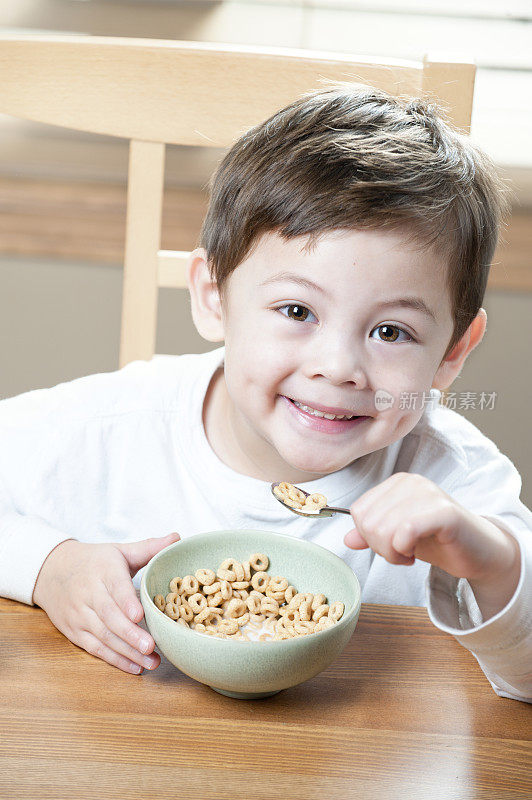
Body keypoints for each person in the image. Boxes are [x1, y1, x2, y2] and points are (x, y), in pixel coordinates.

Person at [0, 84, 530, 701]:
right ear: (214, 298)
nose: (339, 368)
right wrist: (47, 565)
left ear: (453, 352)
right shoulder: (113, 425)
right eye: (297, 309)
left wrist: (491, 563)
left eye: (392, 331)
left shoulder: (453, 483)